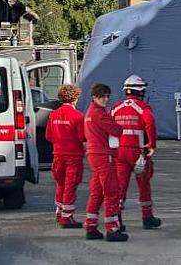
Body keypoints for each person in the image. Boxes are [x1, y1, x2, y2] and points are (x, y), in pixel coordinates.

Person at [111, 75, 162, 230]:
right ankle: (147, 217)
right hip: (138, 152)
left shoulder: (116, 108)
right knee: (144, 184)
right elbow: (150, 124)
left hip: (119, 152)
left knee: (120, 186)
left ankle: (116, 218)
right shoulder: (143, 108)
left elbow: (109, 129)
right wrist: (152, 144)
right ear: (141, 90)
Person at [83, 83, 128, 242]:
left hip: (94, 154)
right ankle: (112, 229)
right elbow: (117, 130)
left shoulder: (89, 112)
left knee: (96, 191)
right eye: (102, 96)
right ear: (95, 97)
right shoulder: (100, 114)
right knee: (111, 191)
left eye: (107, 96)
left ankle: (91, 226)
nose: (106, 99)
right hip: (104, 155)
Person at [46, 84, 86, 228]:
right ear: (75, 98)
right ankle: (67, 217)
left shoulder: (53, 115)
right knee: (70, 185)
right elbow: (82, 137)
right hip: (73, 155)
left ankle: (59, 211)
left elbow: (48, 136)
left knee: (60, 183)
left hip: (57, 154)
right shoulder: (79, 116)